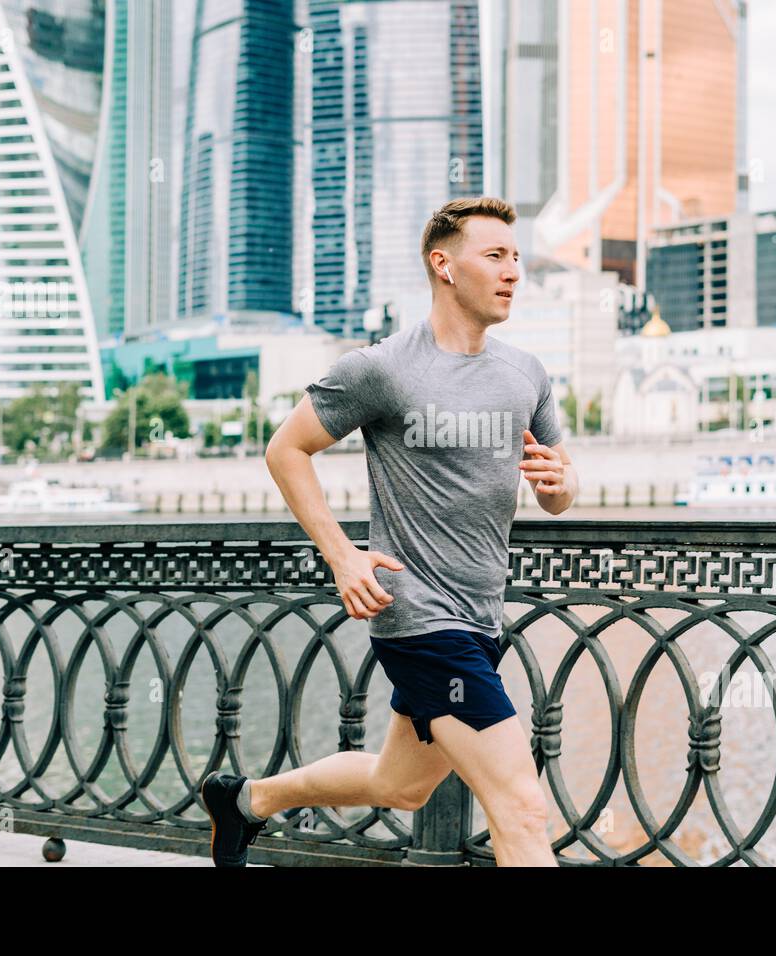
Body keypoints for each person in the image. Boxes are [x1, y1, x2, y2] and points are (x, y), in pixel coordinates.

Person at [201, 196, 578, 867]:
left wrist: (561, 486)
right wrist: (342, 555)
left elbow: (560, 488)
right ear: (444, 265)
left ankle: (244, 802)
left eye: (516, 257)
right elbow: (286, 450)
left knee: (398, 785)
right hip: (422, 621)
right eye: (495, 256)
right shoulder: (382, 369)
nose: (513, 271)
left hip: (483, 615)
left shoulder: (526, 374)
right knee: (520, 805)